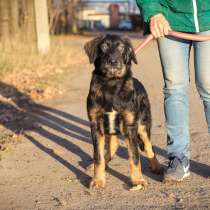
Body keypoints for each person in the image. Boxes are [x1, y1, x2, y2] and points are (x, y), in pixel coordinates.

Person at [136, 0, 210, 182]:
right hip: (168, 16)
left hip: (207, 16)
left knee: (209, 86)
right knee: (174, 87)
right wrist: (153, 12)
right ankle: (178, 159)